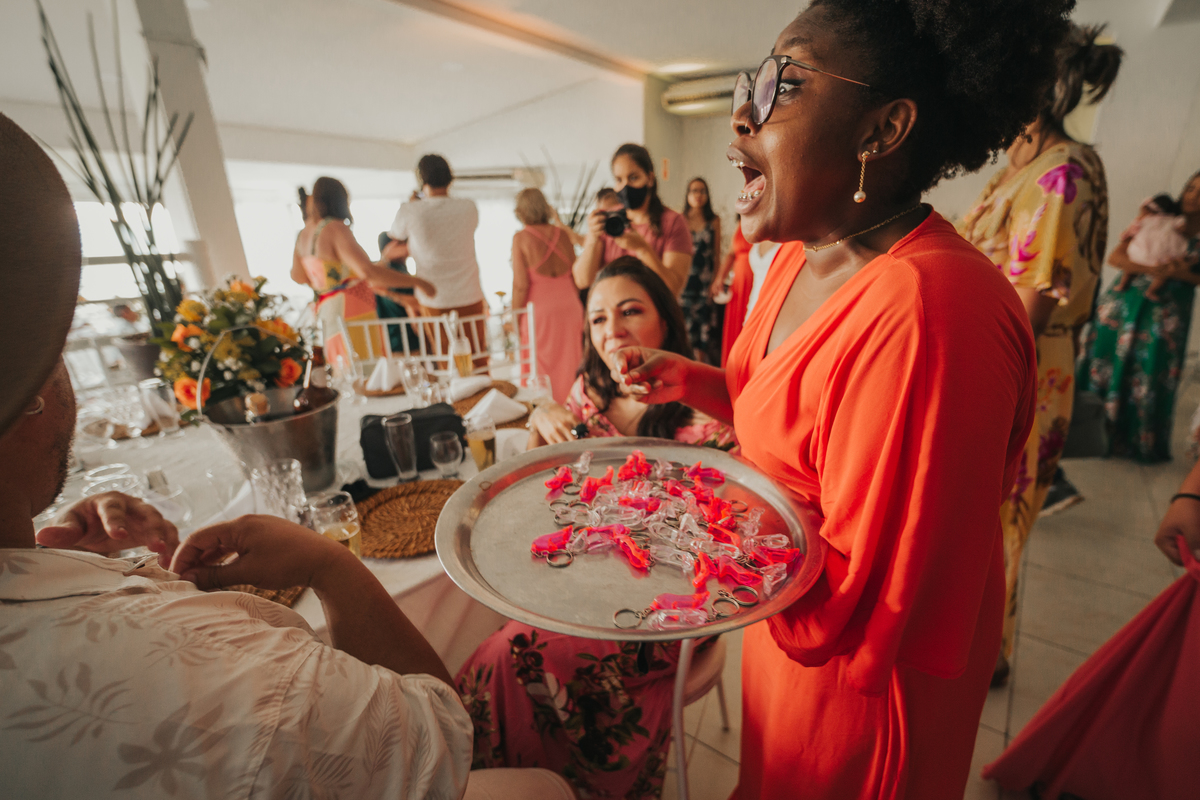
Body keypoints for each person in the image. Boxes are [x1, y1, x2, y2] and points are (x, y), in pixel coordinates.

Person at [608, 0, 1072, 795]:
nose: (741, 118)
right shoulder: (805, 251)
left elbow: (867, 594)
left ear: (882, 130)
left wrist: (693, 543)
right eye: (750, 84)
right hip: (789, 636)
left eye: (783, 85)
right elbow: (798, 421)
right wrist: (695, 381)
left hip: (861, 682)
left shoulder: (928, 312)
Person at [0, 112, 472, 798]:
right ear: (27, 393)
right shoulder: (241, 676)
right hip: (358, 309)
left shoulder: (306, 235)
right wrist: (329, 565)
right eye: (55, 341)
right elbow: (443, 741)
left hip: (331, 313)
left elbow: (299, 275)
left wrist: (119, 570)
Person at [458, 258, 734, 800]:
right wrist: (540, 424)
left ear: (666, 323)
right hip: (589, 582)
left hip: (671, 607)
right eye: (600, 319)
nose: (614, 330)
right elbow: (546, 501)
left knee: (511, 652)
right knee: (509, 641)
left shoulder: (706, 419)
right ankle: (520, 780)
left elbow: (724, 547)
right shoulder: (589, 392)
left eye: (631, 311)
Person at [960, 23, 1123, 686]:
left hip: (1024, 361)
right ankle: (975, 639)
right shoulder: (1025, 162)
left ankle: (989, 653)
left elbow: (1036, 299)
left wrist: (984, 383)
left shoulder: (1061, 173)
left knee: (1005, 512)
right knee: (984, 511)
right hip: (1002, 351)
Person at [1078, 170, 1200, 462]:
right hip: (1122, 305)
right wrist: (1154, 269)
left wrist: (1178, 273)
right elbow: (1116, 257)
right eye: (1191, 188)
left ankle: (1137, 443)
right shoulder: (1157, 219)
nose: (1194, 196)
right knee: (1104, 364)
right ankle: (1087, 436)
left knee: (1151, 375)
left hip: (1166, 315)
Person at [291, 177, 434, 362]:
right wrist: (418, 282)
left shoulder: (304, 233)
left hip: (327, 312)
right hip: (352, 311)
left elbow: (298, 276)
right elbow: (368, 272)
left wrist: (329, 282)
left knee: (343, 368)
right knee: (365, 368)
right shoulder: (334, 227)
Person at [385, 154, 488, 369]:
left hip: (433, 297)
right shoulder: (469, 207)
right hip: (470, 292)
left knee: (446, 361)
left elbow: (395, 234)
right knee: (477, 358)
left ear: (421, 180)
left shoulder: (410, 210)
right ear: (450, 178)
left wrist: (414, 203)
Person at [572, 144, 693, 296]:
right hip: (612, 307)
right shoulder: (608, 220)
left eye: (633, 178)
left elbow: (672, 288)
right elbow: (582, 281)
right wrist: (593, 238)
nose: (625, 186)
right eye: (619, 180)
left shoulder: (673, 222)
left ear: (649, 178)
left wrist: (642, 249)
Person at [510, 188, 584, 403]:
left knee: (539, 366)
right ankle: (575, 406)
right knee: (572, 361)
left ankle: (546, 411)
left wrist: (515, 316)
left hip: (540, 311)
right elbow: (576, 275)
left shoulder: (521, 238)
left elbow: (520, 285)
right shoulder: (563, 234)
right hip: (570, 305)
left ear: (520, 211)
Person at [679, 177, 725, 363]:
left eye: (702, 191)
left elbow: (716, 254)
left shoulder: (713, 220)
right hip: (684, 280)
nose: (698, 195)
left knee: (703, 325)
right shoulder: (680, 219)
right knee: (684, 324)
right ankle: (684, 362)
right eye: (694, 190)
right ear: (687, 194)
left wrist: (715, 281)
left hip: (704, 282)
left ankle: (699, 366)